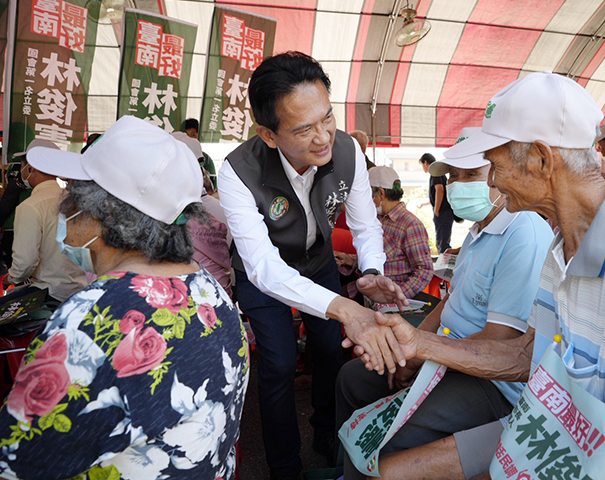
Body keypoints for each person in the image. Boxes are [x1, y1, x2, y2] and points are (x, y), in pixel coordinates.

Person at [353, 71, 605, 479]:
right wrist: (420, 343)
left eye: (495, 166)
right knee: (381, 470)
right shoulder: (562, 248)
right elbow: (527, 355)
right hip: (552, 428)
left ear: (541, 160)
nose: (492, 180)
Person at [0, 115, 249, 480]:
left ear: (106, 213)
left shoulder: (90, 320)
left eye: (72, 192)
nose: (64, 205)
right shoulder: (212, 295)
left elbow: (17, 462)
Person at [217, 51, 407, 479]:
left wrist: (371, 272)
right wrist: (344, 308)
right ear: (268, 134)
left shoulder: (348, 151)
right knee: (279, 363)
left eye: (328, 118)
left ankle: (328, 436)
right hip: (261, 275)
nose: (323, 138)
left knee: (330, 351)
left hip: (318, 263)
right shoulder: (237, 172)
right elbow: (264, 268)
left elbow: (365, 225)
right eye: (304, 129)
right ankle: (284, 466)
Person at [336, 128, 553, 480]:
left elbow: (500, 339)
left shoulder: (523, 231)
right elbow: (447, 302)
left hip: (487, 380)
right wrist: (410, 350)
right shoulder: (478, 231)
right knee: (352, 379)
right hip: (444, 357)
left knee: (384, 437)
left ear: (499, 175)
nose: (457, 184)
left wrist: (418, 358)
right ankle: (344, 470)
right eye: (453, 176)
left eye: (471, 174)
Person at [3, 139, 87, 303]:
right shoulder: (76, 201)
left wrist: (10, 279)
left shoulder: (30, 206)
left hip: (49, 293)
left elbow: (25, 262)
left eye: (22, 165)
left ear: (31, 167)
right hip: (78, 290)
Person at [336, 166, 433, 300]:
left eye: (367, 195)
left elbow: (424, 270)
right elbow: (383, 257)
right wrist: (349, 260)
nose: (365, 201)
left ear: (381, 193)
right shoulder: (377, 218)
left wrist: (395, 296)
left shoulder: (410, 225)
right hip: (367, 287)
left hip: (386, 297)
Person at [420, 152, 455, 252]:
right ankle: (443, 260)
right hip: (444, 211)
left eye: (422, 165)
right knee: (442, 240)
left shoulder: (435, 172)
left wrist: (436, 210)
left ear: (426, 163)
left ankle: (444, 261)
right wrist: (425, 204)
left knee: (443, 242)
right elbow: (436, 196)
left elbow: (440, 190)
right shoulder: (438, 173)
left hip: (443, 212)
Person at [183, 118, 218, 190]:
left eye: (193, 135)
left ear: (199, 136)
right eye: (186, 135)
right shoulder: (175, 155)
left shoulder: (206, 159)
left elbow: (212, 189)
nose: (189, 138)